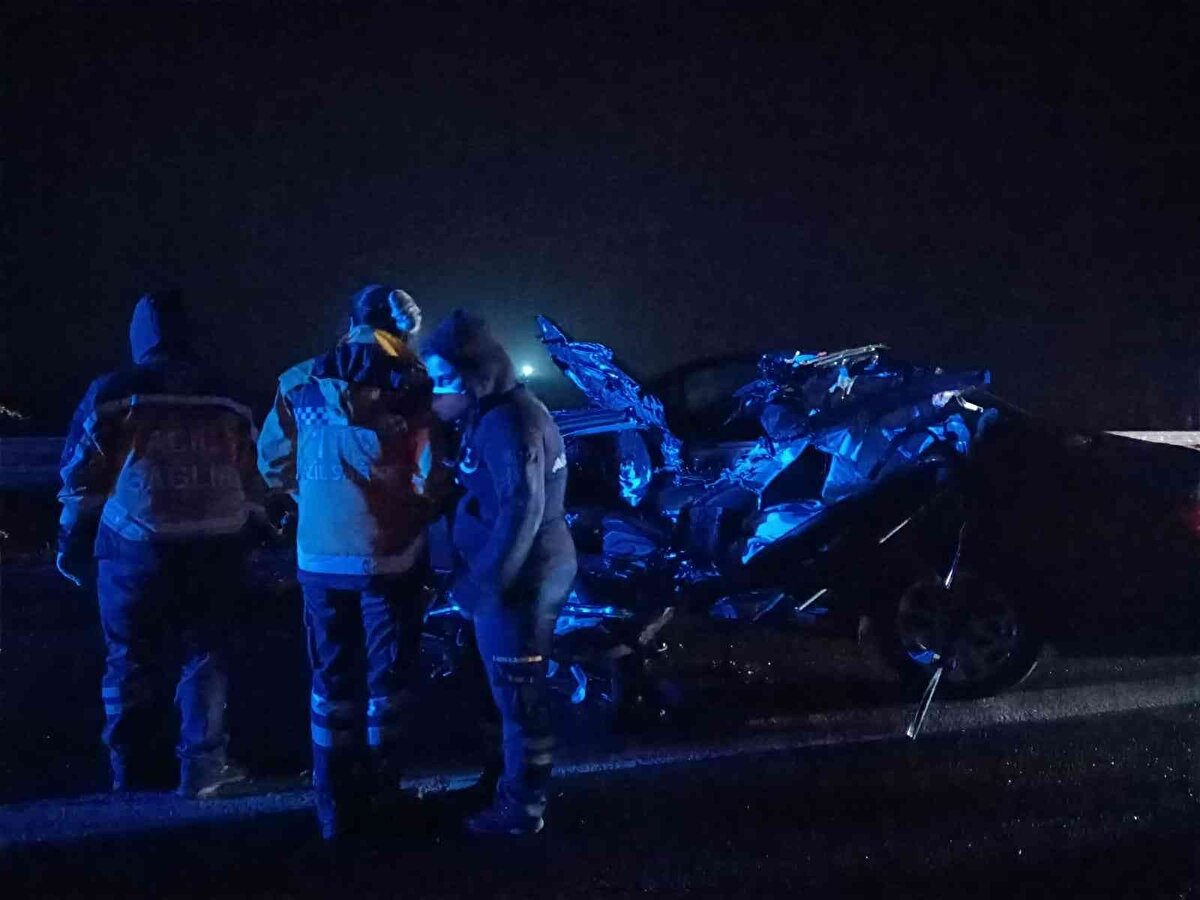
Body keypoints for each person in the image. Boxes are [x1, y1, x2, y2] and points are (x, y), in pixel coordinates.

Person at [57, 290, 262, 798]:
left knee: (130, 657)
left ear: (140, 336)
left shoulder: (115, 390)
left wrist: (70, 540)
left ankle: (132, 771)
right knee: (206, 656)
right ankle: (203, 768)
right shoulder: (227, 394)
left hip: (136, 547)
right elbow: (251, 472)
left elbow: (82, 472)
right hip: (217, 542)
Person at [258, 284, 438, 841]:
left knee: (331, 678)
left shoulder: (298, 380)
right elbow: (433, 469)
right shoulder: (415, 383)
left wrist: (312, 501)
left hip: (318, 555)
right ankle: (383, 791)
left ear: (352, 320)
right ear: (404, 328)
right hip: (391, 553)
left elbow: (272, 463)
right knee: (389, 678)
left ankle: (332, 804)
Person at [422, 310, 577, 836]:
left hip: (521, 580)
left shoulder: (510, 422)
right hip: (509, 577)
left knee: (519, 697)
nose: (438, 391)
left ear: (475, 371)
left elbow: (521, 508)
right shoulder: (489, 414)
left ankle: (522, 809)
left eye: (444, 378)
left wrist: (485, 585)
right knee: (503, 694)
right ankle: (502, 784)